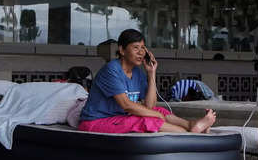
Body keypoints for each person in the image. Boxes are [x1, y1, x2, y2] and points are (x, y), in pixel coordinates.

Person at [78, 29, 217, 134]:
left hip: (120, 117)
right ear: (121, 50)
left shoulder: (138, 71)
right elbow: (127, 105)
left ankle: (190, 125)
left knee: (158, 110)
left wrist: (151, 73)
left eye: (143, 48)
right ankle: (188, 134)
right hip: (96, 122)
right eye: (136, 47)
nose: (141, 52)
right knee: (146, 119)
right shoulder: (111, 70)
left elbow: (150, 106)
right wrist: (156, 116)